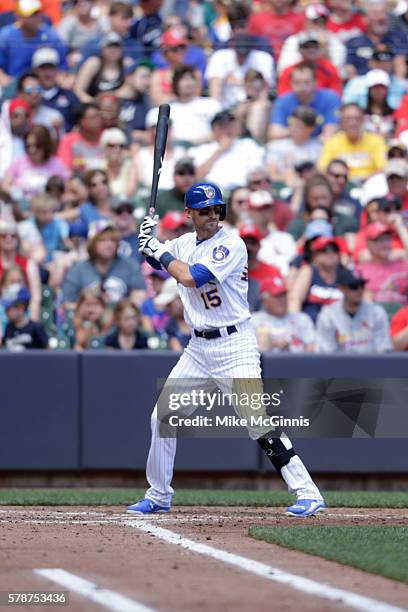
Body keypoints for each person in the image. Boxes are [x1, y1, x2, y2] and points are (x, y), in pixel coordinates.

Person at [127, 181, 325, 517]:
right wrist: (146, 239)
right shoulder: (184, 242)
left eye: (216, 209)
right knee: (162, 417)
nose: (212, 216)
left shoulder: (230, 244)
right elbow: (160, 260)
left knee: (257, 422)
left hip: (235, 345)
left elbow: (192, 277)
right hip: (198, 349)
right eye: (204, 211)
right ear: (189, 214)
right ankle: (159, 494)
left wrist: (157, 248)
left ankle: (308, 492)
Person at [61, 219, 146, 311]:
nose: (109, 244)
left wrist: (122, 310)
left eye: (112, 240)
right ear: (92, 243)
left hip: (120, 320)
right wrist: (90, 309)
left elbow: (139, 295)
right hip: (87, 321)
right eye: (103, 240)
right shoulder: (78, 270)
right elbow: (67, 303)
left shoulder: (130, 266)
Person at [316, 268, 391, 353]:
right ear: (341, 288)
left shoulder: (377, 313)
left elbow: (382, 349)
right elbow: (327, 353)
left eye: (362, 285)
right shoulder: (328, 315)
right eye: (353, 286)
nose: (359, 290)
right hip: (339, 365)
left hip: (371, 364)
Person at [0, 0, 67, 85]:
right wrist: (4, 79)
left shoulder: (51, 36)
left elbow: (62, 65)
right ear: (18, 17)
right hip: (14, 84)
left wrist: (61, 77)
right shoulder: (6, 37)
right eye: (32, 15)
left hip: (44, 84)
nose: (37, 17)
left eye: (38, 13)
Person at [269, 63, 341, 140]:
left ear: (315, 82)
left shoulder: (330, 98)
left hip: (319, 144)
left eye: (307, 82)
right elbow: (274, 133)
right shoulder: (283, 101)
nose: (302, 87)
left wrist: (302, 132)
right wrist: (299, 130)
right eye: (297, 83)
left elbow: (330, 133)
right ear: (291, 84)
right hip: (292, 143)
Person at [318, 103, 387, 182]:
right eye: (348, 119)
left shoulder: (376, 141)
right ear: (341, 122)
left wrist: (365, 180)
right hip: (340, 184)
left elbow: (382, 168)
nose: (352, 123)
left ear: (362, 120)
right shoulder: (332, 142)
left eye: (356, 118)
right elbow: (322, 169)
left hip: (369, 183)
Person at [2, 125, 69, 202]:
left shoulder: (57, 164)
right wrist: (15, 193)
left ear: (46, 145)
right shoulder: (18, 162)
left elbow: (68, 189)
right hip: (22, 208)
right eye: (28, 146)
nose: (32, 150)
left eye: (37, 145)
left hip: (48, 209)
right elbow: (4, 186)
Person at [252, 275, 315, 353]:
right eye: (276, 296)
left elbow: (311, 349)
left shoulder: (302, 319)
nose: (281, 300)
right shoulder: (254, 321)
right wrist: (271, 344)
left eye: (283, 295)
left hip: (298, 363)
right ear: (265, 300)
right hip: (266, 363)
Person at [32, 47, 80, 132]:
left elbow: (80, 122)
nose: (47, 73)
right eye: (43, 69)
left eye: (51, 68)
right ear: (35, 71)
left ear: (57, 70)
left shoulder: (69, 96)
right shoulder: (29, 96)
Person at [74, 32, 126, 104]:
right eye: (110, 46)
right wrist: (95, 102)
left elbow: (129, 91)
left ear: (122, 49)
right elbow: (78, 89)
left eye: (116, 46)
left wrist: (110, 98)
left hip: (117, 107)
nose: (113, 50)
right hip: (94, 106)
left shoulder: (126, 64)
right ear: (102, 49)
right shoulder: (94, 63)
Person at [1, 286, 48, 350]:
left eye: (8, 309)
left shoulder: (36, 327)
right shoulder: (9, 327)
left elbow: (47, 351)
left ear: (21, 308)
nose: (6, 312)